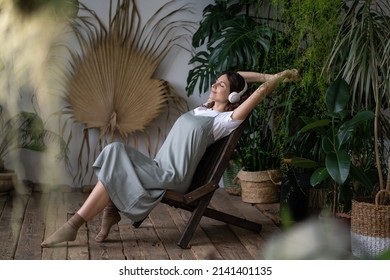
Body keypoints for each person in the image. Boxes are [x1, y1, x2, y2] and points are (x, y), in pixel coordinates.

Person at [41, 68, 300, 247]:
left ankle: (75, 224)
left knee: (116, 156)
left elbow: (257, 93)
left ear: (233, 97)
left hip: (173, 177)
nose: (214, 85)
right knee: (114, 149)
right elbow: (238, 75)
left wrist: (279, 77)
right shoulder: (203, 109)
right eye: (216, 81)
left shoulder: (225, 121)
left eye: (221, 85)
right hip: (158, 166)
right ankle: (107, 212)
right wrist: (249, 76)